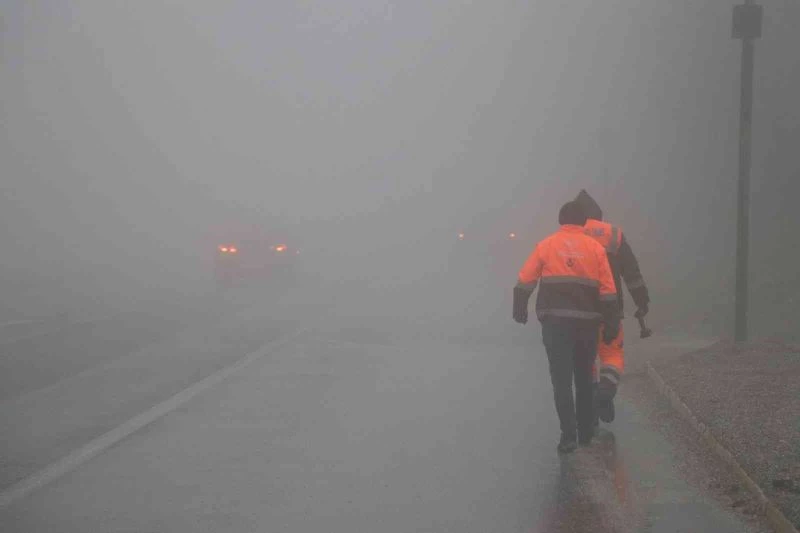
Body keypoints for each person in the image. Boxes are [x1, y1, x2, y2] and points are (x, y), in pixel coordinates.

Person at [513, 201, 620, 453]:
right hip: (587, 325)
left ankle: (568, 436)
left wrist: (520, 307)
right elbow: (608, 290)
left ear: (561, 220)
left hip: (556, 325)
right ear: (584, 222)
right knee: (584, 379)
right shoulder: (595, 249)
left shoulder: (546, 245)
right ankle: (585, 433)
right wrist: (611, 322)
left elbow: (525, 279)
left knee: (561, 381)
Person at [574, 190, 650, 425]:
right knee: (612, 354)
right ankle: (605, 391)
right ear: (599, 214)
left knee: (586, 356)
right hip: (610, 308)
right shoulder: (613, 234)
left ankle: (590, 399)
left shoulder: (569, 236)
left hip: (579, 310)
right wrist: (642, 301)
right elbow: (631, 272)